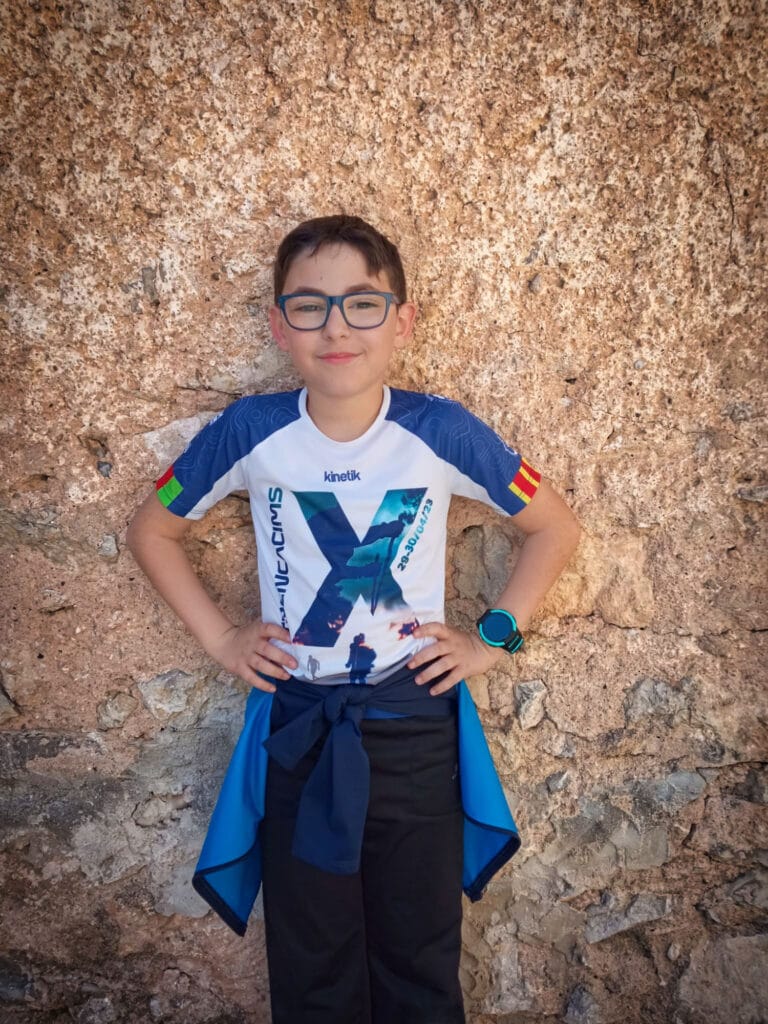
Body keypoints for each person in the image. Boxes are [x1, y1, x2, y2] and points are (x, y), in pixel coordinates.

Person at [126, 214, 581, 1024]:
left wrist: (491, 639)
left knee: (419, 960)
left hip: (415, 728)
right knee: (313, 967)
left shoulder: (441, 430)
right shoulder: (251, 430)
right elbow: (152, 529)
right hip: (299, 728)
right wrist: (221, 638)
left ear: (402, 321)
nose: (336, 327)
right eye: (309, 305)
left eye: (363, 304)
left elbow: (554, 526)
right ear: (279, 325)